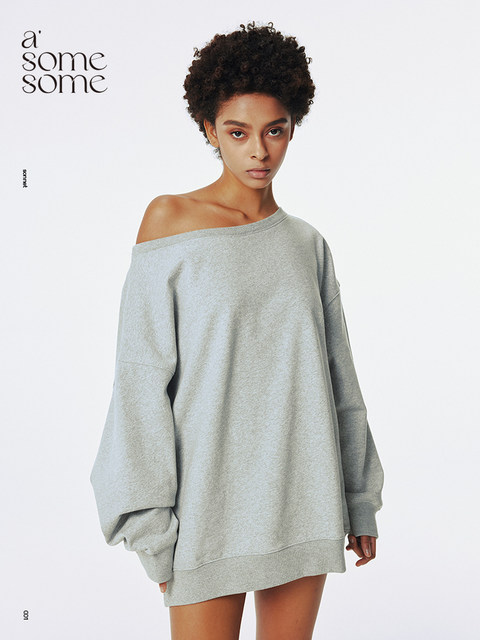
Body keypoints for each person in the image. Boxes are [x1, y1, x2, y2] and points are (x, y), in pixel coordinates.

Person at [90, 20, 385, 640]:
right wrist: (153, 527)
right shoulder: (170, 221)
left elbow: (340, 381)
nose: (259, 151)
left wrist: (359, 498)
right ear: (209, 130)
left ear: (292, 128)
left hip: (304, 493)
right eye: (238, 132)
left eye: (275, 130)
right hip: (206, 506)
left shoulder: (306, 244)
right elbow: (140, 382)